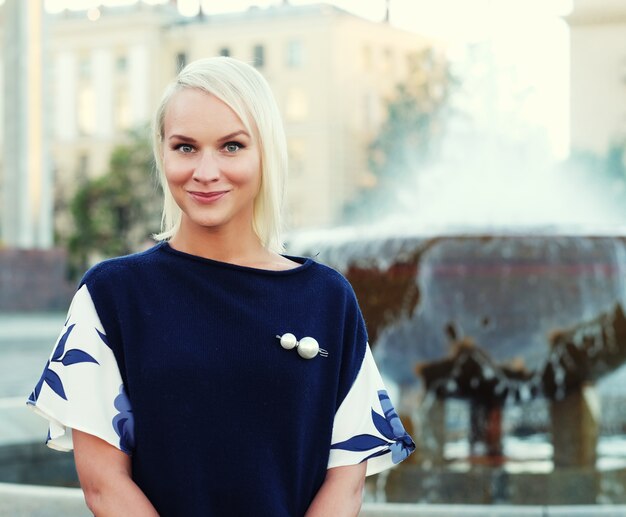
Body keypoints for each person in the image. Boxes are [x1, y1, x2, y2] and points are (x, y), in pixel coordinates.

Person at [27, 56, 414, 516]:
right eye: (185, 147)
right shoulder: (111, 297)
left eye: (231, 146)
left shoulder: (328, 300)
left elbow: (345, 482)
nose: (206, 172)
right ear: (163, 153)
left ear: (265, 152)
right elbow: (104, 485)